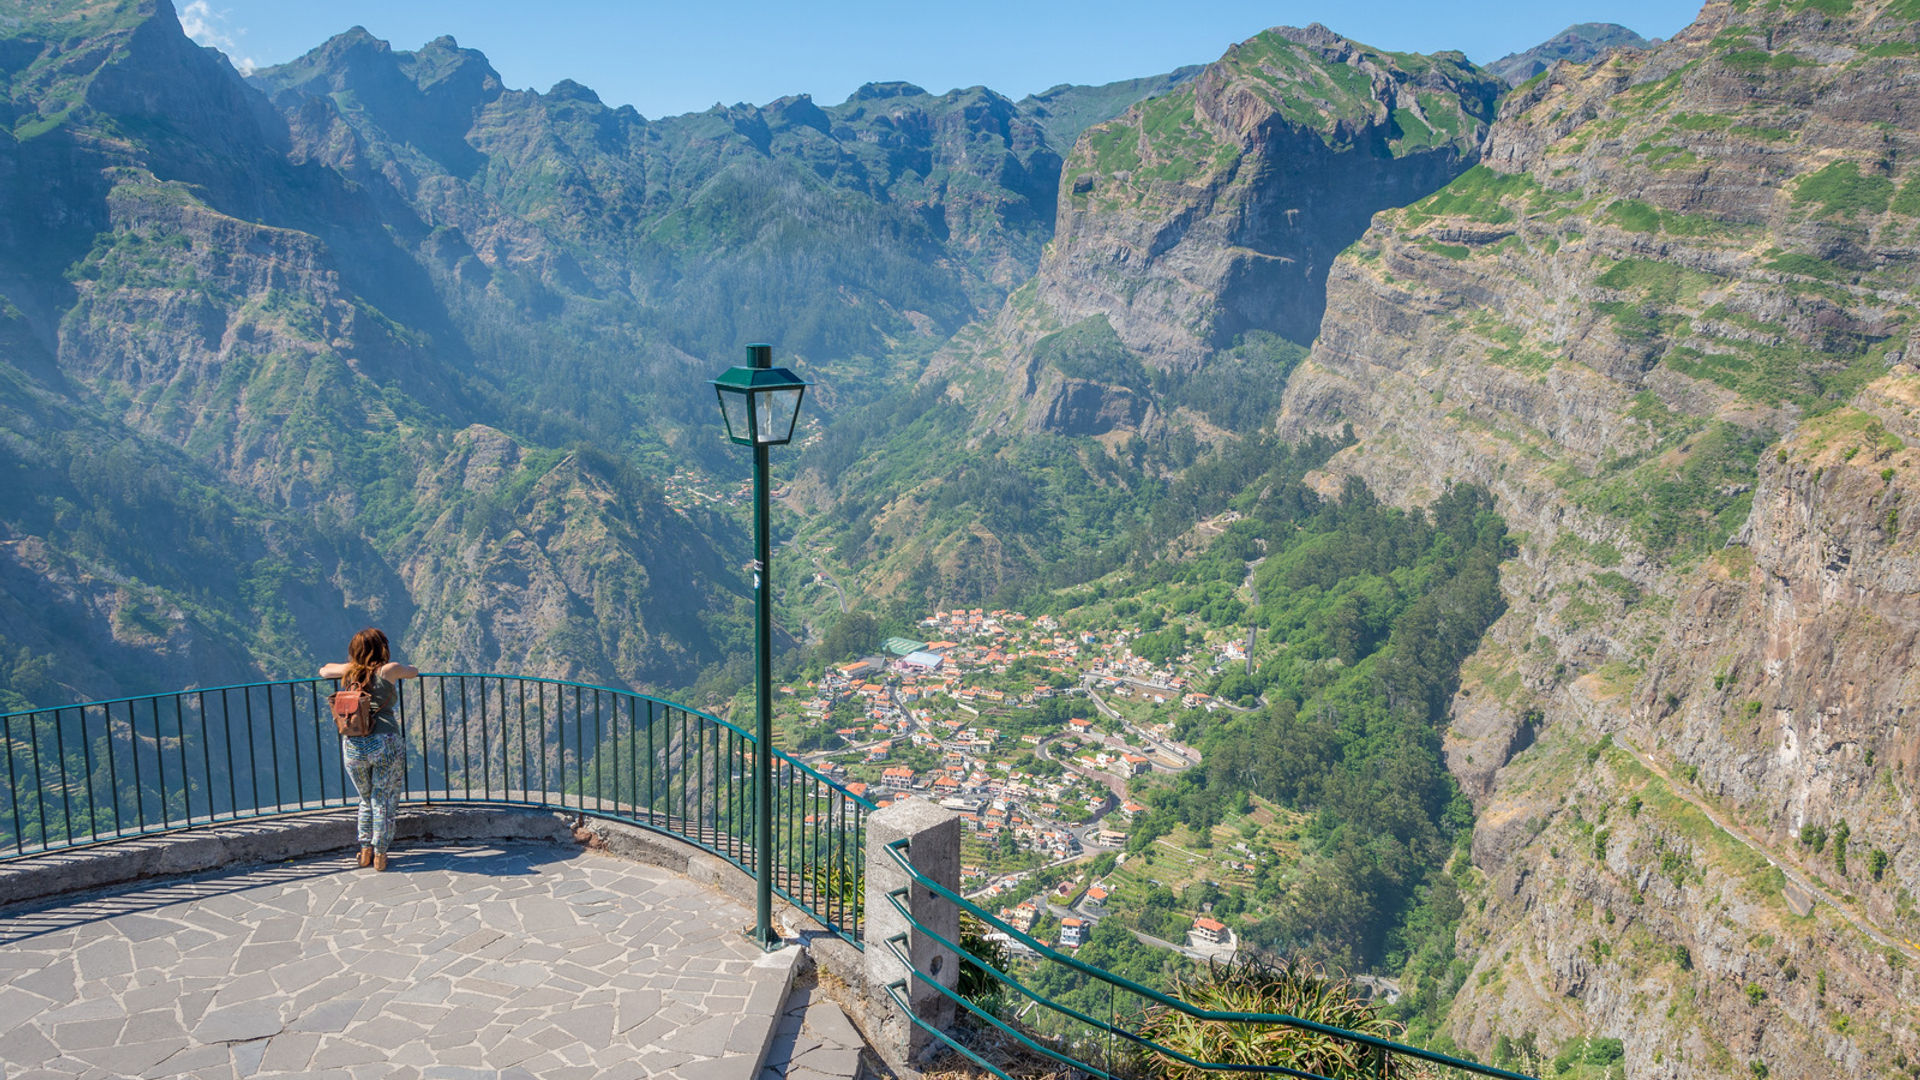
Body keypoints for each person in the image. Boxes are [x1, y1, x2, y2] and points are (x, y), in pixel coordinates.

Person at [320, 628, 418, 871]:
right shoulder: (388, 670)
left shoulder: (350, 671)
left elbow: (324, 670)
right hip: (385, 741)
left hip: (353, 743)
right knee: (382, 799)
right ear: (382, 647)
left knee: (365, 798)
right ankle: (381, 854)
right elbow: (414, 672)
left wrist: (352, 665)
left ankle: (364, 850)